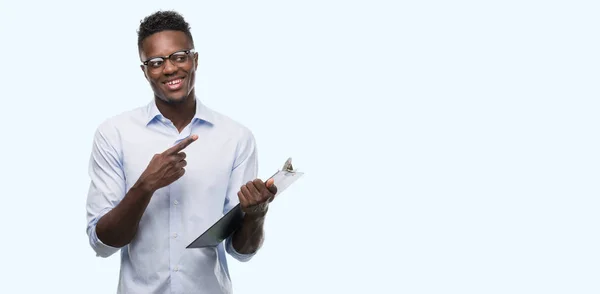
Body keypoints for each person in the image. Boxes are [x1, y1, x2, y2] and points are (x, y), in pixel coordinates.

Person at [85, 10, 277, 293]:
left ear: (195, 60)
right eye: (156, 62)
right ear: (144, 71)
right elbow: (103, 243)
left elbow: (241, 251)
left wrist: (256, 215)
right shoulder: (114, 134)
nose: (170, 69)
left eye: (179, 56)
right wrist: (145, 186)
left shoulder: (236, 137)